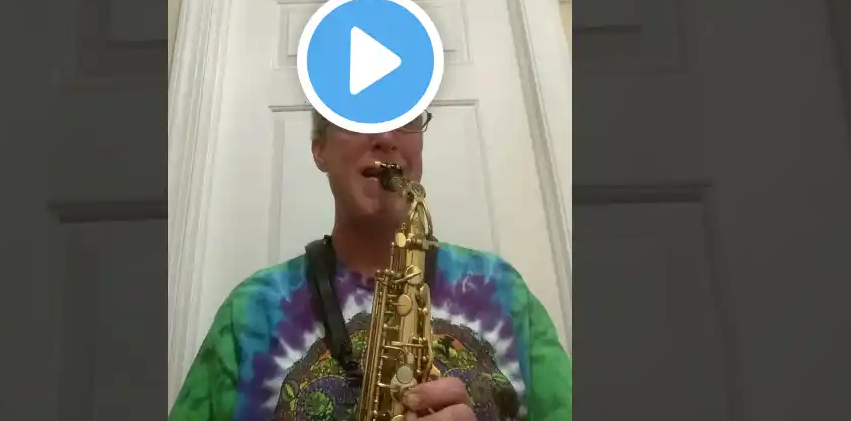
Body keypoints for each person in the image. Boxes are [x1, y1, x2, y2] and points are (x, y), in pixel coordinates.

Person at [170, 109, 571, 420]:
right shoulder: (252, 311)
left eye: (406, 118)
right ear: (319, 149)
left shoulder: (502, 290)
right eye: (357, 116)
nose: (386, 138)